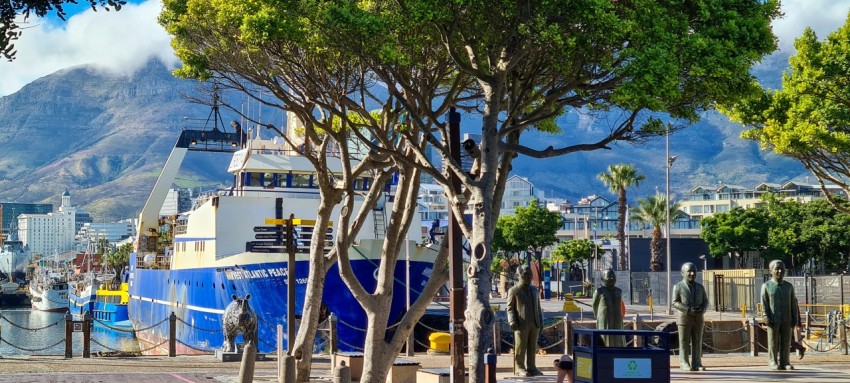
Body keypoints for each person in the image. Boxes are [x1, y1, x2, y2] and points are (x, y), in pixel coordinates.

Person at [761, 259, 799, 370]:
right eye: (777, 269)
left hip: (787, 318)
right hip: (773, 318)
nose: (779, 271)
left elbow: (793, 303)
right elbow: (764, 303)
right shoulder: (766, 286)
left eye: (782, 269)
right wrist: (765, 316)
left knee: (786, 341)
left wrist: (795, 317)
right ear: (770, 271)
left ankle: (785, 361)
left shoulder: (789, 286)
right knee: (773, 341)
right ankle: (772, 361)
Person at [507, 264, 544, 376]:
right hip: (521, 323)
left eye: (530, 274)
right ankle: (519, 367)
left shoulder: (534, 290)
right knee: (520, 347)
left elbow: (538, 308)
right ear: (519, 275)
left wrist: (541, 321)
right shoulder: (514, 290)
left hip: (534, 323)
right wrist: (512, 321)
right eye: (526, 274)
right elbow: (509, 308)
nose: (529, 277)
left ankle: (532, 367)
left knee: (532, 346)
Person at [672, 262, 708, 371]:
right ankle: (684, 363)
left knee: (697, 341)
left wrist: (703, 309)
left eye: (694, 271)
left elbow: (706, 301)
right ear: (682, 273)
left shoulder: (700, 287)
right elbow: (674, 302)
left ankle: (697, 363)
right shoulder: (678, 286)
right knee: (684, 342)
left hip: (698, 318)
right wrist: (688, 309)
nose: (692, 274)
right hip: (684, 319)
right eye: (689, 271)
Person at [592, 269, 624, 347]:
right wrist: (600, 316)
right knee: (605, 338)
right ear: (603, 278)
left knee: (618, 338)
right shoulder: (599, 292)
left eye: (613, 276)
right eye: (609, 276)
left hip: (617, 319)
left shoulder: (619, 291)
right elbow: (595, 306)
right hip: (604, 319)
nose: (611, 278)